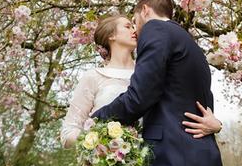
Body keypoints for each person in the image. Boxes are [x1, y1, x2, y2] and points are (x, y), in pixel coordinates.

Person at [92, 0, 224, 166]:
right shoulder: (190, 43)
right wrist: (217, 126)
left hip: (173, 156)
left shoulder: (155, 29)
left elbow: (140, 96)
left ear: (145, 11)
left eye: (135, 21)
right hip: (203, 155)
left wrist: (96, 120)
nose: (136, 31)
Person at [60, 14, 221, 150]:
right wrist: (97, 139)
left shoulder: (153, 74)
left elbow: (181, 106)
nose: (135, 29)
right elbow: (67, 134)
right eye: (128, 26)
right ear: (111, 35)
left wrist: (217, 124)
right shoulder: (93, 77)